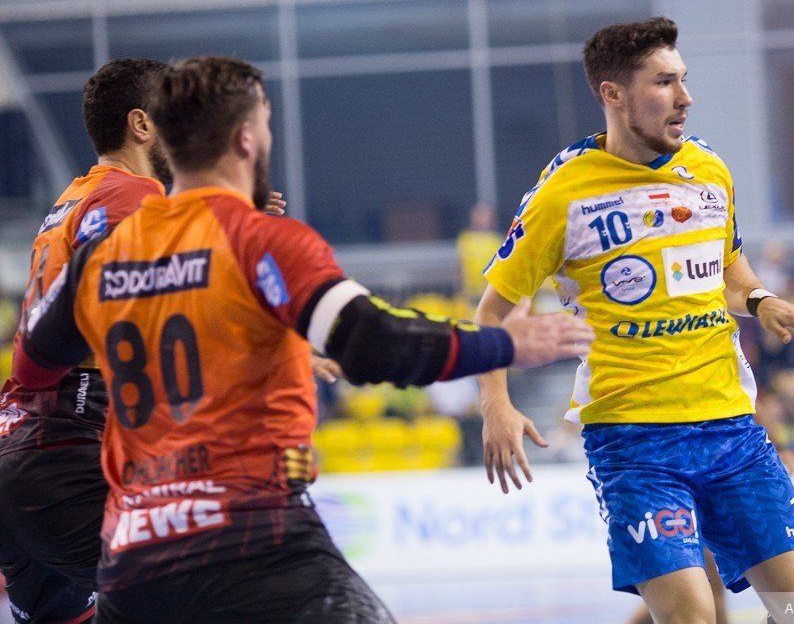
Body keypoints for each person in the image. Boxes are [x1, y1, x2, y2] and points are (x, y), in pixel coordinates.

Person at [14, 56, 594, 623]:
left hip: (133, 552)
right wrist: (504, 344)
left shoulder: (102, 254)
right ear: (246, 138)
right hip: (251, 539)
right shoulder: (261, 239)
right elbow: (373, 343)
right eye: (266, 122)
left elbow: (34, 365)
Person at [475, 18, 794, 623]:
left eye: (683, 79)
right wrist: (495, 404)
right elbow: (492, 310)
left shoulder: (709, 171)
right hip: (634, 441)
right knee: (693, 614)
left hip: (731, 429)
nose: (685, 97)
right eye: (664, 82)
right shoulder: (563, 193)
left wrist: (761, 301)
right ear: (613, 94)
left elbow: (729, 273)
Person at [0, 58, 171, 624]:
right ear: (141, 125)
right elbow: (131, 304)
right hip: (68, 449)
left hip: (21, 443)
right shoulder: (133, 196)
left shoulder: (77, 196)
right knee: (202, 588)